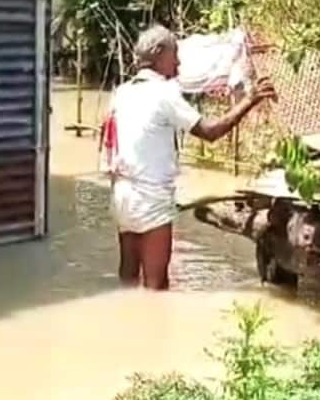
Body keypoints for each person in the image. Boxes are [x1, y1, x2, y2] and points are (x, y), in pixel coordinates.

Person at [104, 24, 276, 290]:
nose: (179, 62)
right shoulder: (163, 93)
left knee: (128, 275)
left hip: (121, 195)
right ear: (159, 54)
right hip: (151, 198)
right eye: (175, 55)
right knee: (156, 285)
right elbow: (209, 132)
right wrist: (250, 99)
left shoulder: (122, 92)